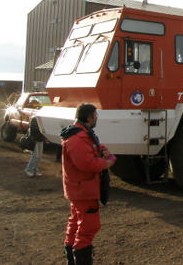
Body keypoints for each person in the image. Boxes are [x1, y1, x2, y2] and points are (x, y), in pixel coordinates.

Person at [60, 103, 115, 265]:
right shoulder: (78, 138)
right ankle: (81, 259)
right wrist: (105, 164)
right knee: (89, 227)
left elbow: (91, 147)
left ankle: (71, 259)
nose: (97, 117)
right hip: (84, 190)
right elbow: (86, 164)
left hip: (79, 189)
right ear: (89, 116)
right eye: (96, 115)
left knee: (76, 222)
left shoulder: (81, 134)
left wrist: (102, 149)